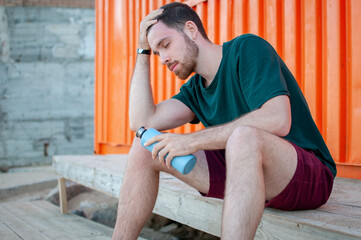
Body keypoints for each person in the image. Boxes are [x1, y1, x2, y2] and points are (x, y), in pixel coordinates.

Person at [112, 2, 336, 239]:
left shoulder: (247, 49)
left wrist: (192, 141)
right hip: (245, 174)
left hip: (306, 176)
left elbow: (278, 119)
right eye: (157, 52)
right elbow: (141, 122)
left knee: (244, 137)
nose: (163, 59)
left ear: (190, 29)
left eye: (165, 45)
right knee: (145, 145)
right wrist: (142, 51)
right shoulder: (195, 91)